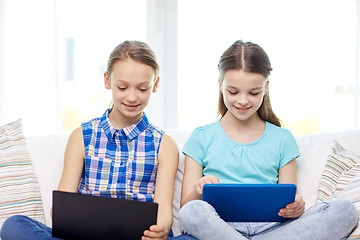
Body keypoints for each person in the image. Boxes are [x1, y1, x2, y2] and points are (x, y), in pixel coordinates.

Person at [173, 40, 358, 240]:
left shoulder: (282, 139)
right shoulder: (201, 137)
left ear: (266, 88)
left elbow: (289, 199)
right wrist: (199, 187)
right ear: (220, 85)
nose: (243, 101)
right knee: (192, 212)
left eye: (254, 93)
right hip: (218, 227)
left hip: (273, 230)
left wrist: (295, 207)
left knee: (344, 210)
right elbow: (186, 207)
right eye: (233, 92)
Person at [0, 40, 179, 240]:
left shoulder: (165, 145)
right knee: (13, 225)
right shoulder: (82, 136)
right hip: (87, 236)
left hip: (138, 237)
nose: (131, 97)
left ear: (155, 85)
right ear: (107, 80)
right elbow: (61, 207)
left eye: (142, 89)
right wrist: (71, 218)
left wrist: (159, 230)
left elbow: (163, 209)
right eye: (122, 87)